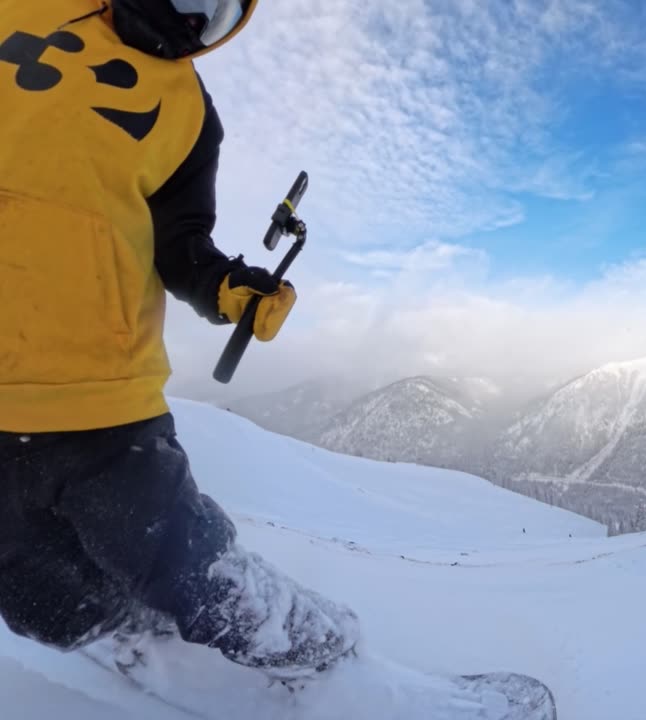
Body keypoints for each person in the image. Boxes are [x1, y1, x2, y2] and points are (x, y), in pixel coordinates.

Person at [0, 0, 359, 678]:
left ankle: (342, 672)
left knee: (194, 570)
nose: (194, 20)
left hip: (99, 403)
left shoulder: (190, 114)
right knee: (34, 601)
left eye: (219, 10)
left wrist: (230, 289)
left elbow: (179, 243)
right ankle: (137, 641)